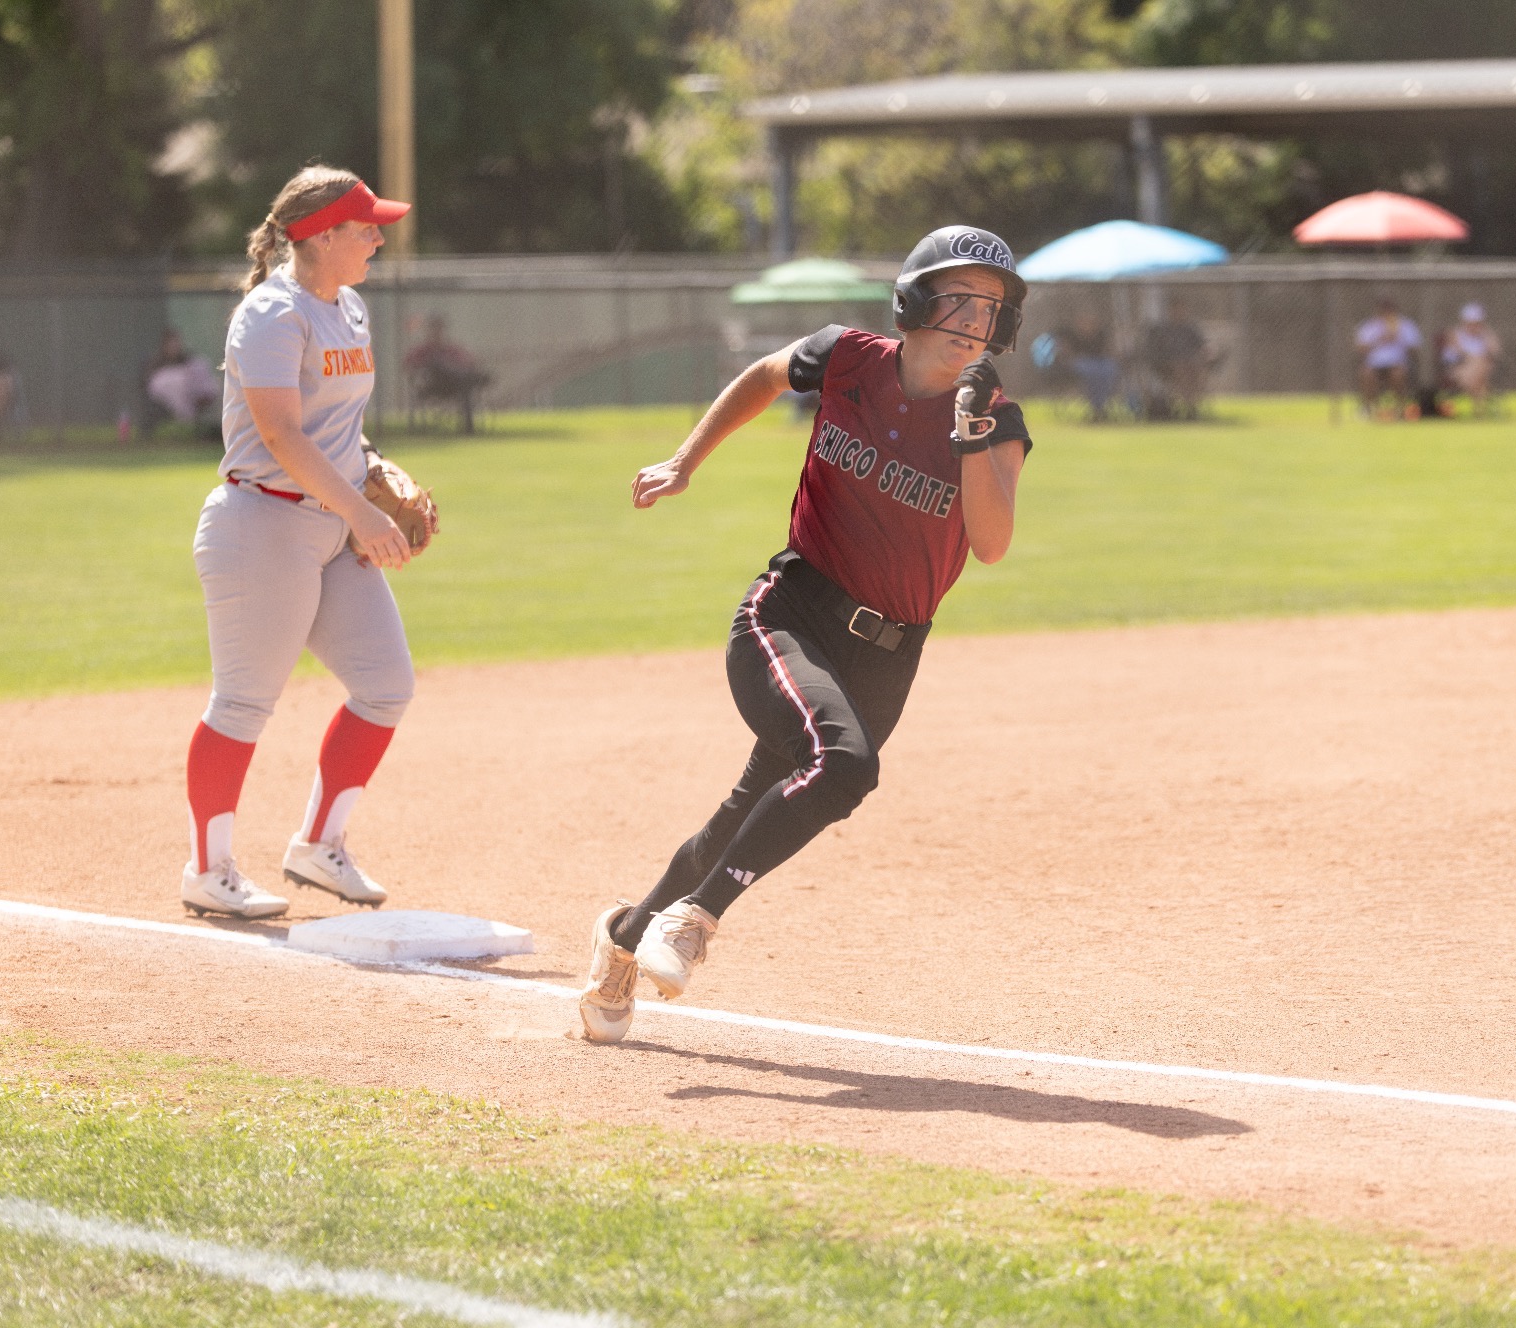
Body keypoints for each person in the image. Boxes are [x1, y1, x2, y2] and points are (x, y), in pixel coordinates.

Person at [579, 226, 1034, 1043]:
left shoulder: (997, 421)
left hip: (891, 654)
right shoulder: (850, 358)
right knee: (847, 765)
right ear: (917, 298)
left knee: (746, 813)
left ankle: (623, 935)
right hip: (790, 615)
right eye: (959, 294)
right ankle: (696, 919)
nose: (974, 314)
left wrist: (970, 432)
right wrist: (686, 460)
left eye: (991, 303)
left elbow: (993, 541)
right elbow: (763, 375)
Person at [180, 166, 417, 919]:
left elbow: (335, 425)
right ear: (319, 236)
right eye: (365, 226)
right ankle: (207, 868)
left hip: (330, 523)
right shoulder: (271, 314)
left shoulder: (348, 309)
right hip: (262, 524)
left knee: (385, 683)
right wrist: (363, 514)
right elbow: (279, 434)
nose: (378, 237)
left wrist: (374, 469)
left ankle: (319, 843)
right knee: (245, 699)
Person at [405, 313, 491, 434]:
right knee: (438, 364)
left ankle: (468, 427)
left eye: (439, 329)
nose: (437, 333)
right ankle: (472, 378)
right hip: (434, 385)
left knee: (464, 381)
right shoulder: (423, 350)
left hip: (454, 386)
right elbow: (409, 365)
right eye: (434, 329)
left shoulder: (451, 349)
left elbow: (468, 361)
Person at [1143, 297, 1212, 420]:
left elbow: (1202, 346)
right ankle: (1189, 407)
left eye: (1182, 309)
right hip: (1167, 366)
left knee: (1195, 371)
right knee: (1182, 369)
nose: (1179, 312)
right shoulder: (1162, 329)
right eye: (1176, 309)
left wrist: (1207, 353)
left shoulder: (1190, 328)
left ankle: (1191, 405)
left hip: (1191, 365)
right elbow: (1154, 352)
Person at [144, 329, 221, 438]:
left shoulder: (190, 360)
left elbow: (208, 388)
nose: (174, 347)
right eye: (170, 344)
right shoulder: (157, 365)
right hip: (166, 409)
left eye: (176, 343)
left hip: (194, 399)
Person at [1356, 299, 1421, 420]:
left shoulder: (1405, 325)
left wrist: (1398, 337)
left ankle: (1400, 409)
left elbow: (1415, 349)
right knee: (1367, 374)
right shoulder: (1369, 326)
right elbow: (1360, 349)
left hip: (1397, 363)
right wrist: (1379, 339)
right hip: (1374, 364)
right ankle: (1368, 408)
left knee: (1398, 375)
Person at [1054, 306, 1120, 420]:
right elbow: (1067, 354)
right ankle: (1097, 407)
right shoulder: (1072, 335)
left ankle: (1100, 406)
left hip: (1099, 362)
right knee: (1090, 371)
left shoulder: (1100, 334)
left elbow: (1108, 351)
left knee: (1108, 369)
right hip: (1081, 362)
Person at [1441, 302, 1502, 415]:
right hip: (1458, 370)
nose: (1474, 326)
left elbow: (1495, 352)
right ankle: (1479, 409)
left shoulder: (1486, 336)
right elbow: (1460, 355)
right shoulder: (1455, 335)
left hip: (1480, 372)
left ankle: (1478, 408)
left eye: (1477, 323)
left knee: (1480, 367)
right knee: (1478, 367)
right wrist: (1475, 360)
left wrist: (1485, 336)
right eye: (1471, 323)